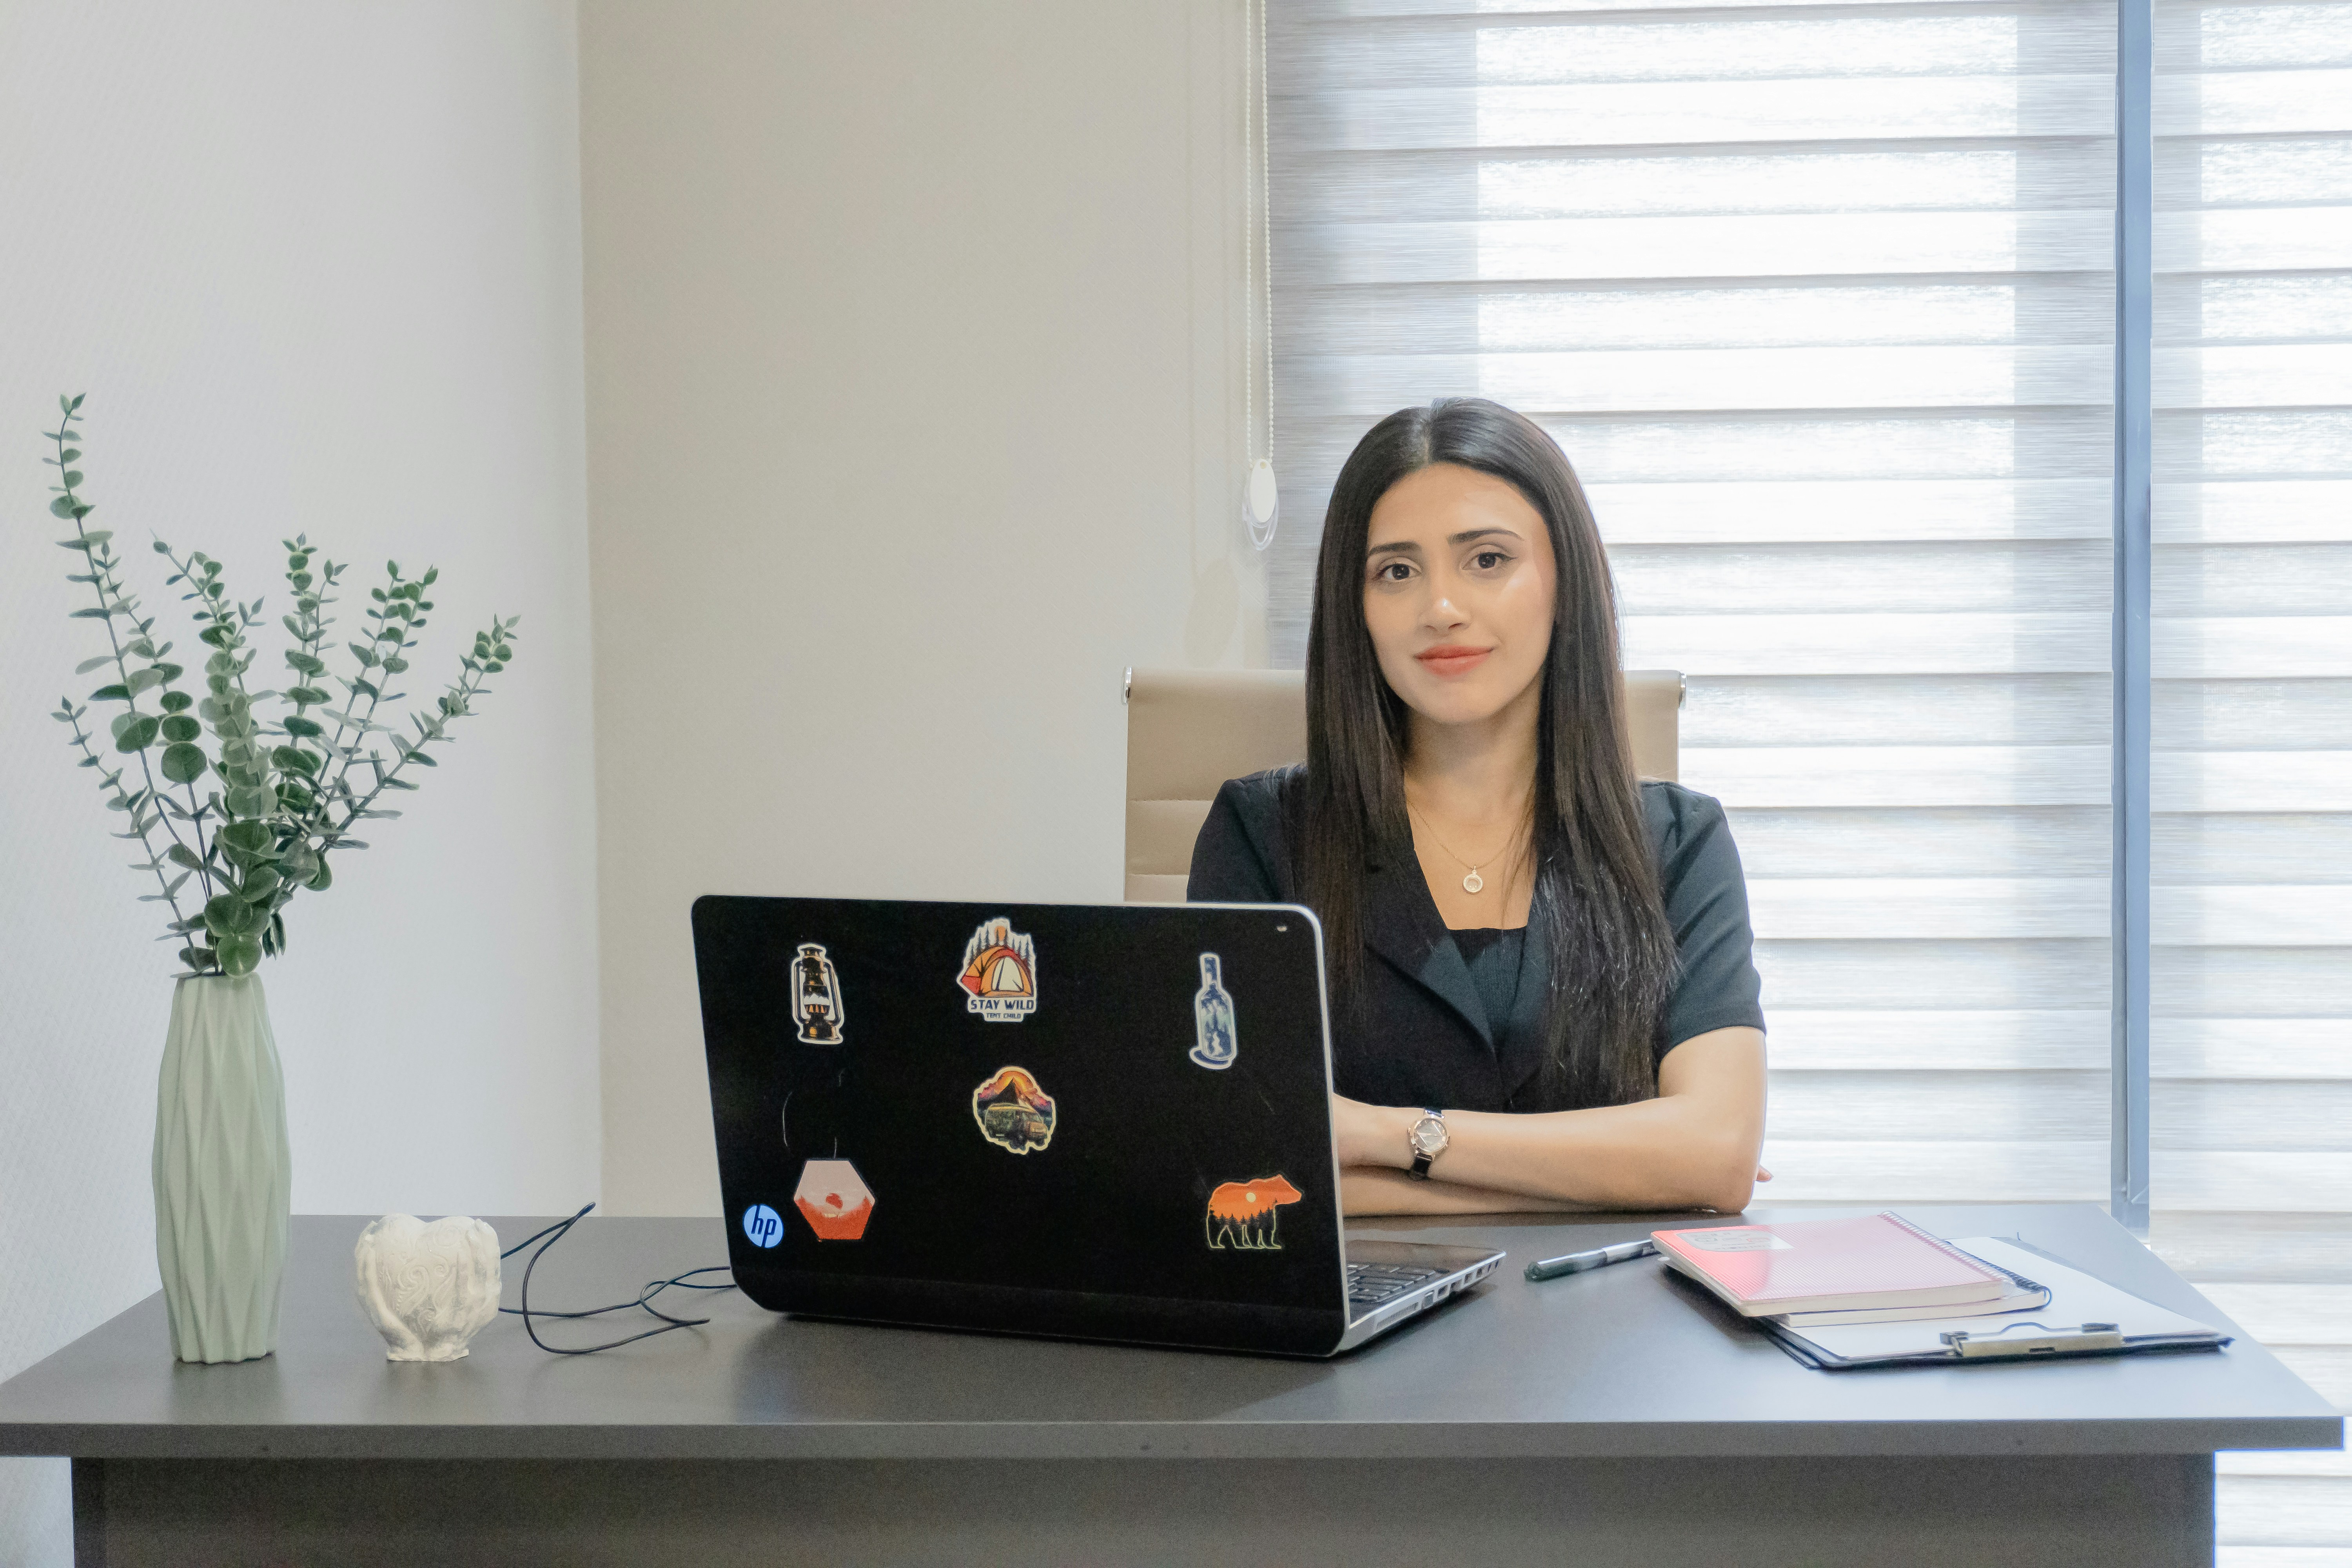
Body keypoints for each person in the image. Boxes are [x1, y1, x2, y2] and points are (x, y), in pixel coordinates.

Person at [1187, 398, 1769, 1216]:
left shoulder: (1678, 843)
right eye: (1397, 571)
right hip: (1356, 1291)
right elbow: (1237, 1160)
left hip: (1611, 1295)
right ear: (1354, 606)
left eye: (1488, 559)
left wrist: (1389, 1136)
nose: (1442, 608)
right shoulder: (1260, 836)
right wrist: (1610, 1178)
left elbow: (1715, 1154)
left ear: (1564, 582)